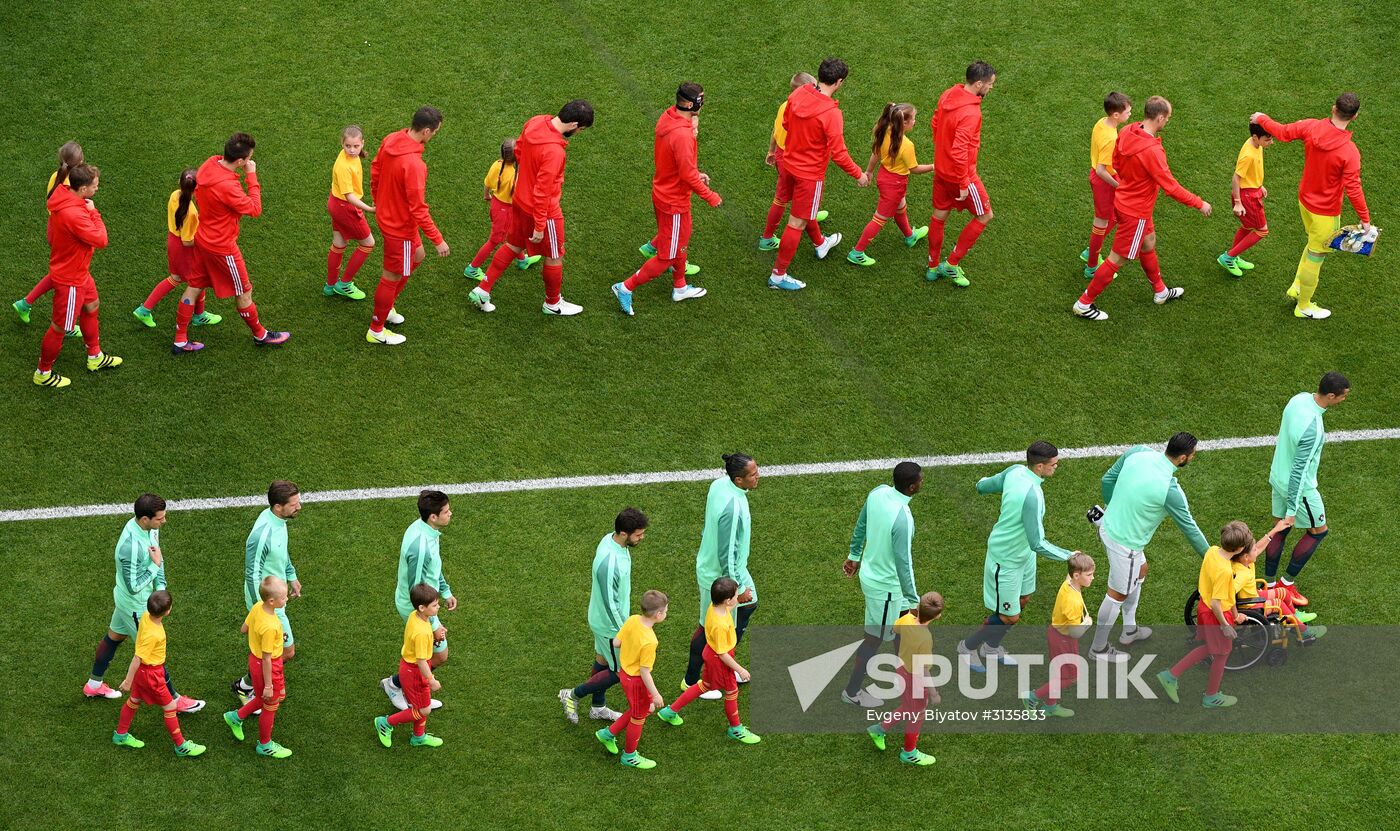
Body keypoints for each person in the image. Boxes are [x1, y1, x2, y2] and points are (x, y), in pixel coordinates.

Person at [1074, 96, 1211, 321]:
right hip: (1135, 212)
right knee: (1116, 259)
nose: (1168, 121)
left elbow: (1115, 162)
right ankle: (1084, 303)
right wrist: (1199, 203)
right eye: (1168, 117)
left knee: (1149, 241)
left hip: (1124, 201)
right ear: (1159, 118)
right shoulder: (1152, 152)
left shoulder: (1128, 130)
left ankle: (1160, 291)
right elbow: (1171, 187)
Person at [1087, 433, 1210, 661]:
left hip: (1107, 527)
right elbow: (1190, 528)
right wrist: (1212, 557)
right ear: (1183, 458)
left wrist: (1112, 509)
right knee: (1117, 594)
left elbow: (1107, 480)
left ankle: (1129, 630)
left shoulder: (1138, 451)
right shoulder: (1170, 491)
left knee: (1141, 570)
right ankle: (1098, 648)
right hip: (1125, 545)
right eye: (1193, 455)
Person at [957, 442, 1076, 671]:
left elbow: (986, 485)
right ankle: (968, 646)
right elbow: (1038, 542)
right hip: (1007, 558)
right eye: (1053, 464)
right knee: (1009, 616)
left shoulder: (1015, 471)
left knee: (1024, 598)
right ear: (1039, 466)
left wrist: (980, 485)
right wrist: (1069, 555)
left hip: (1024, 554)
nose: (1056, 466)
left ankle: (990, 647)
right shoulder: (1033, 495)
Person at [470, 100, 594, 316]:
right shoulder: (555, 152)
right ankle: (552, 303)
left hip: (519, 201)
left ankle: (483, 288)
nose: (579, 133)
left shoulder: (535, 122)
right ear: (574, 124)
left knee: (514, 245)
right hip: (545, 212)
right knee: (555, 254)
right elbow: (543, 191)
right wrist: (539, 225)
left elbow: (518, 150)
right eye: (580, 129)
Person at [1252, 93, 1371, 319]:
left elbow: (1283, 132)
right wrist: (1364, 219)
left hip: (1305, 201)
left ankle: (1297, 285)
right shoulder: (1350, 152)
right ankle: (1303, 306)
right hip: (1325, 212)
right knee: (1317, 255)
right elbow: (1354, 189)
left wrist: (1262, 118)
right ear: (1354, 116)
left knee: (1312, 242)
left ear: (1333, 108)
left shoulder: (1310, 127)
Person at [172, 132, 289, 354]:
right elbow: (254, 209)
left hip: (203, 240)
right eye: (248, 158)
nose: (250, 161)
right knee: (244, 291)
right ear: (240, 161)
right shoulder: (228, 187)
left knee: (194, 286)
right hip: (222, 247)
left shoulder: (209, 164)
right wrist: (251, 176)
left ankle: (180, 341)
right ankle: (260, 335)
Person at [611, 82, 721, 316]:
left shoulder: (668, 117)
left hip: (664, 191)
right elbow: (687, 175)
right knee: (668, 255)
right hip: (674, 201)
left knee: (681, 238)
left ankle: (680, 286)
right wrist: (710, 196)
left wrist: (693, 168)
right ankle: (625, 287)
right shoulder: (682, 134)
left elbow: (681, 164)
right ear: (692, 104)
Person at [85, 493, 203, 712]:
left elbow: (159, 556)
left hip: (133, 600)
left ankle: (93, 684)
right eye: (160, 518)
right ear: (145, 518)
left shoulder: (151, 529)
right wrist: (154, 567)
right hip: (135, 605)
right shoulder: (129, 547)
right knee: (152, 654)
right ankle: (174, 700)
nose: (164, 521)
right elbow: (134, 585)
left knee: (114, 637)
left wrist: (161, 590)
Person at [767, 57, 869, 291]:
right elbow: (840, 155)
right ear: (839, 81)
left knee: (801, 212)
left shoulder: (798, 93)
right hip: (809, 175)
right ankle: (778, 276)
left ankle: (820, 243)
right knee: (796, 223)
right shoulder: (831, 114)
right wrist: (859, 175)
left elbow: (785, 123)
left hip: (789, 165)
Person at [1156, 522, 1273, 708]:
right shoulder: (1225, 571)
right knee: (1222, 653)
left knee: (1211, 648)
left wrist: (1236, 615)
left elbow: (1226, 595)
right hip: (1215, 615)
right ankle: (1210, 696)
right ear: (1240, 549)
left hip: (1203, 609)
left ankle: (1170, 676)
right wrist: (1226, 626)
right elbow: (1217, 604)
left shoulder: (1212, 551)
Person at [32, 163, 121, 389]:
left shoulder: (62, 194)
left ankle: (95, 356)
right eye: (95, 186)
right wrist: (94, 212)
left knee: (92, 306)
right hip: (71, 279)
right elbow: (101, 240)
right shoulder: (76, 215)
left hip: (78, 271)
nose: (97, 189)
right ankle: (43, 372)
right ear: (82, 190)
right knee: (60, 327)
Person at [841, 461, 923, 705]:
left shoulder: (877, 492)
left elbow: (861, 523)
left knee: (901, 632)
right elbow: (903, 562)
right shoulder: (903, 518)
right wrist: (913, 600)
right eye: (920, 479)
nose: (922, 482)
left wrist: (854, 555)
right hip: (885, 588)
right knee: (873, 639)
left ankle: (906, 681)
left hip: (875, 577)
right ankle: (852, 691)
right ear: (911, 487)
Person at [1264, 371, 1349, 606]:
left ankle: (1268, 585)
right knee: (1318, 531)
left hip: (1276, 476)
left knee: (1279, 530)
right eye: (1342, 396)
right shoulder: (1313, 429)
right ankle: (1286, 585)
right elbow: (1299, 471)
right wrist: (1293, 508)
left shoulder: (1298, 399)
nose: (1343, 400)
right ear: (1331, 395)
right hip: (1300, 489)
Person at [367, 107, 449, 345]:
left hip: (389, 216)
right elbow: (419, 209)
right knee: (391, 276)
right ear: (425, 131)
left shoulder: (392, 138)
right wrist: (438, 239)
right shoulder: (414, 165)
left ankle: (387, 306)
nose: (434, 135)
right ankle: (377, 328)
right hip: (399, 227)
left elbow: (375, 169)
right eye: (435, 132)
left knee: (417, 255)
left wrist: (377, 198)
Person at [559, 508, 648, 724]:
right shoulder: (609, 563)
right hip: (610, 626)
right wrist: (625, 631)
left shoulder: (612, 540)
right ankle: (572, 695)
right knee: (619, 671)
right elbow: (610, 603)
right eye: (638, 534)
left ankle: (598, 707)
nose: (642, 538)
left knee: (602, 660)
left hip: (604, 620)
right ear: (624, 533)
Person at [684, 453, 760, 698]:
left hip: (721, 569)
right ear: (738, 479)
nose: (758, 476)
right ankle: (692, 680)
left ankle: (725, 661)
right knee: (709, 628)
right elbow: (727, 553)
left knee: (748, 607)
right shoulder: (733, 508)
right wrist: (736, 591)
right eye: (752, 474)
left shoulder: (720, 485)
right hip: (720, 578)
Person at [656, 577, 761, 744]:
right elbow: (723, 654)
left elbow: (730, 607)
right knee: (732, 691)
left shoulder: (714, 607)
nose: (736, 597)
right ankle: (736, 729)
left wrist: (740, 598)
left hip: (710, 652)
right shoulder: (719, 625)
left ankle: (670, 711)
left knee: (705, 685)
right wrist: (740, 670)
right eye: (735, 595)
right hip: (719, 659)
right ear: (727, 600)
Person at [926, 61, 998, 288]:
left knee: (939, 217)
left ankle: (932, 267)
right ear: (978, 84)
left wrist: (941, 153)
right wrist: (964, 182)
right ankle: (951, 263)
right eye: (990, 84)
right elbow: (960, 150)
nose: (991, 88)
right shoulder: (971, 113)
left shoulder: (948, 94)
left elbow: (935, 123)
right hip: (961, 175)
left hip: (941, 171)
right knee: (985, 215)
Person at [382, 490, 456, 711]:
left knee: (427, 654)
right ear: (433, 516)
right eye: (445, 511)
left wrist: (445, 591)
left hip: (423, 603)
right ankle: (397, 685)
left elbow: (433, 571)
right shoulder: (421, 546)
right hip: (417, 607)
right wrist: (433, 624)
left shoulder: (424, 529)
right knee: (439, 655)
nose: (450, 513)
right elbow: (418, 591)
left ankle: (401, 684)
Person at [111, 590, 206, 756]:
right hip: (152, 674)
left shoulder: (146, 616)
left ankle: (120, 735)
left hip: (144, 673)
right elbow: (137, 658)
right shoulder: (153, 634)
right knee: (170, 706)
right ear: (168, 611)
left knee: (134, 700)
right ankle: (181, 746)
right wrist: (127, 680)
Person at [233, 481, 302, 704]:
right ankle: (249, 685)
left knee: (275, 652)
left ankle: (245, 684)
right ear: (278, 506)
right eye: (294, 504)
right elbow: (251, 574)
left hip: (275, 596)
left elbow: (281, 554)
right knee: (285, 652)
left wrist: (291, 576)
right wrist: (261, 609)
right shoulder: (261, 534)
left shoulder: (279, 521)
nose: (299, 507)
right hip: (266, 602)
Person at [846, 103, 933, 266]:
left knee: (901, 207)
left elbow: (876, 153)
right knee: (879, 219)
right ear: (904, 123)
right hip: (895, 184)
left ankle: (909, 236)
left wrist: (869, 171)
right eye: (914, 118)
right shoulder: (906, 145)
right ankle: (856, 252)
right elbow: (914, 169)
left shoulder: (885, 130)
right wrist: (934, 166)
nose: (915, 121)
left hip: (885, 177)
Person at [13, 140, 87, 330]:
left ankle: (25, 303)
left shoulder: (57, 176)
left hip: (54, 229)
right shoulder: (73, 186)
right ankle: (67, 324)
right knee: (70, 277)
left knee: (60, 273)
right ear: (79, 163)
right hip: (66, 234)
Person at [133, 169, 221, 328]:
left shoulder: (175, 195)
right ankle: (199, 315)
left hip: (173, 241)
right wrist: (206, 240)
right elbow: (187, 241)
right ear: (197, 189)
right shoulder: (191, 212)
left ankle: (145, 310)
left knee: (177, 277)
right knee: (197, 280)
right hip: (183, 248)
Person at [866, 590, 943, 766]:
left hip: (901, 669)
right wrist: (933, 693)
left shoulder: (907, 619)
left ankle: (879, 729)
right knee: (917, 714)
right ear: (938, 616)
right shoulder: (925, 638)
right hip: (915, 679)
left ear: (917, 607)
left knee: (909, 706)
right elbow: (924, 670)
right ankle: (909, 753)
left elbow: (894, 628)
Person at [594, 590, 669, 770]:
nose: (666, 614)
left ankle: (608, 733)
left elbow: (616, 643)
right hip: (636, 681)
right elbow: (645, 672)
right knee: (638, 716)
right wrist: (656, 694)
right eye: (666, 611)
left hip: (624, 675)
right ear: (658, 614)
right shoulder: (650, 641)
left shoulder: (633, 619)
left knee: (640, 709)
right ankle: (629, 756)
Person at [759, 71, 829, 251]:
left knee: (782, 198)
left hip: (781, 156)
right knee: (795, 197)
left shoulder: (785, 105)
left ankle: (767, 238)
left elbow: (775, 130)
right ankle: (817, 239)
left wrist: (771, 150)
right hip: (795, 160)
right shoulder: (803, 111)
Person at [224, 576, 293, 758]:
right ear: (272, 601)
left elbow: (244, 629)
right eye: (283, 597)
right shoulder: (271, 626)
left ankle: (235, 717)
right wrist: (270, 685)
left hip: (253, 662)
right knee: (270, 703)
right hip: (268, 667)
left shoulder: (257, 607)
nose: (286, 599)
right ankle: (265, 745)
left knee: (264, 698)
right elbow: (268, 659)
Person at [1023, 553, 1095, 717]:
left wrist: (1076, 556)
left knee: (1059, 673)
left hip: (1057, 635)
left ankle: (1050, 706)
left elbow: (1070, 570)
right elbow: (1075, 632)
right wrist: (1087, 624)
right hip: (1064, 640)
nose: (1093, 578)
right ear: (1077, 575)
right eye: (1089, 575)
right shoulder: (1074, 603)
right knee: (1070, 677)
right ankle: (1032, 697)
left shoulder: (1068, 582)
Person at [375, 583, 445, 748]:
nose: (438, 607)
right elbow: (421, 661)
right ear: (422, 607)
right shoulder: (421, 632)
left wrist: (433, 639)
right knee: (423, 710)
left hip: (408, 667)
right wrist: (431, 679)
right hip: (415, 672)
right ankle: (386, 723)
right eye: (434, 605)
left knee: (421, 704)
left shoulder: (416, 616)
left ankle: (418, 737)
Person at [463, 138, 540, 280]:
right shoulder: (517, 174)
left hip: (496, 205)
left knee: (512, 235)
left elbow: (487, 183)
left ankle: (523, 261)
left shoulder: (497, 165)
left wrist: (486, 196)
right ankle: (472, 268)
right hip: (506, 211)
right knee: (495, 240)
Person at [1232, 526, 1322, 638]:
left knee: (1283, 592)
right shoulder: (1242, 574)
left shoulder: (1243, 561)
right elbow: (1229, 592)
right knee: (1278, 603)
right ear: (1246, 556)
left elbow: (1259, 547)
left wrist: (1275, 530)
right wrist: (1236, 615)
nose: (1257, 550)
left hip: (1252, 595)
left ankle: (1294, 617)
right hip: (1251, 606)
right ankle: (1303, 631)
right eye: (1254, 550)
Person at [1082, 92, 1132, 278]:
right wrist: (1119, 186)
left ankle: (1091, 252)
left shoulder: (1101, 122)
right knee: (1101, 222)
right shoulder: (1111, 138)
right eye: (1127, 112)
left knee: (1114, 216)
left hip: (1101, 177)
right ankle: (1092, 266)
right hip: (1104, 181)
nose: (1130, 114)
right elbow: (1103, 170)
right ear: (1116, 115)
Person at [324, 125, 376, 302]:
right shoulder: (344, 167)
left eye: (356, 146)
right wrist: (369, 209)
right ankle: (344, 284)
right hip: (345, 207)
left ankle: (330, 286)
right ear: (342, 144)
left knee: (339, 243)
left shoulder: (348, 155)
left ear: (362, 143)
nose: (352, 150)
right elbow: (349, 196)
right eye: (348, 146)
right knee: (368, 244)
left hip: (334, 203)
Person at [1217, 122, 1275, 277]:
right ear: (1256, 137)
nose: (1271, 142)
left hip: (1252, 191)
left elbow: (1253, 171)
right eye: (1268, 140)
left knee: (1248, 227)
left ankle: (1233, 256)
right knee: (1262, 231)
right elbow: (1236, 178)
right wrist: (1237, 202)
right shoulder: (1248, 155)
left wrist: (1259, 185)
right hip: (1248, 197)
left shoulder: (1256, 145)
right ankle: (1228, 258)